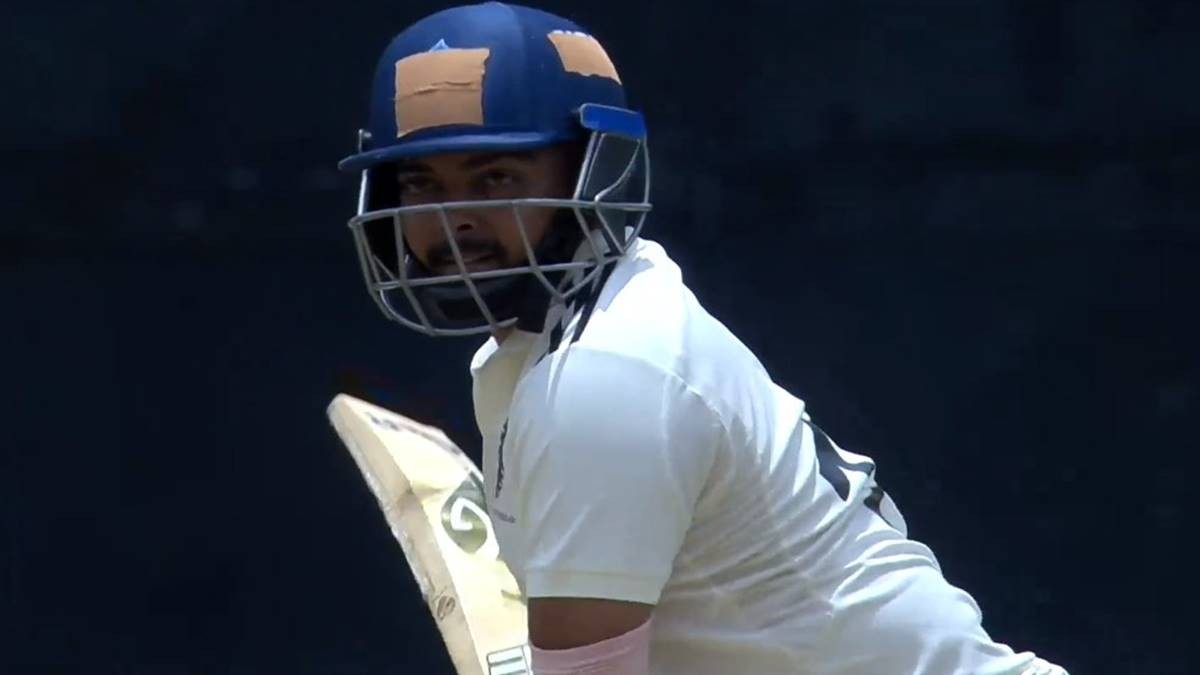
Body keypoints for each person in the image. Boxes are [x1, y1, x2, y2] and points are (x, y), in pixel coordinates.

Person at [337, 3, 1070, 673]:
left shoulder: (603, 374)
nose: (455, 217)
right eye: (421, 184)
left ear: (592, 170)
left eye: (495, 177)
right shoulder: (563, 338)